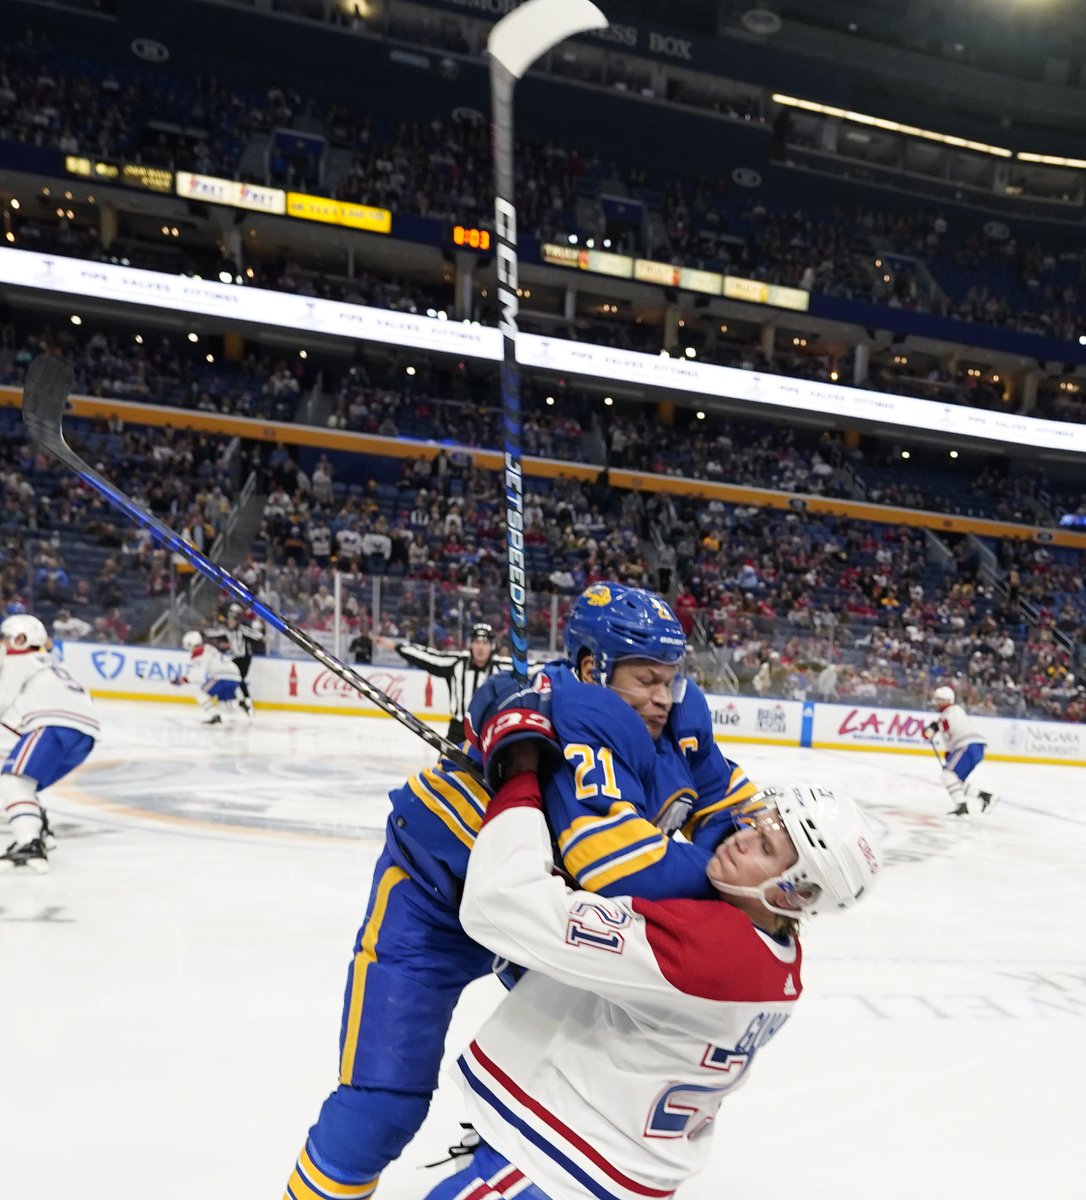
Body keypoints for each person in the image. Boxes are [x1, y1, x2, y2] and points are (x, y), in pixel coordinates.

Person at [284, 583, 763, 1200]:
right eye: (646, 679)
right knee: (381, 1106)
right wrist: (724, 873)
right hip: (433, 902)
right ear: (593, 668)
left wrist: (732, 849)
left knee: (572, 1081)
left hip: (536, 918)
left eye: (670, 679)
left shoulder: (673, 720)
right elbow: (624, 869)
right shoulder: (568, 710)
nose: (662, 698)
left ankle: (502, 1148)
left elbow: (742, 817)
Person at [423, 773, 882, 1200]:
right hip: (615, 1172)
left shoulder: (711, 947)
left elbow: (500, 900)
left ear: (798, 894)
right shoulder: (782, 964)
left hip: (558, 1169)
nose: (741, 839)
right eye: (757, 826)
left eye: (764, 847)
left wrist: (520, 776)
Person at [0, 614, 99, 873]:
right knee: (23, 784)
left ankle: (29, 842)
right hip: (84, 733)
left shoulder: (19, 660)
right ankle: (40, 832)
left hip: (52, 725)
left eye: (5, 638)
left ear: (20, 639)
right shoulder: (53, 663)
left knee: (12, 781)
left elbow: (2, 700)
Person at [382, 622, 512, 743]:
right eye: (477, 642)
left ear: (491, 646)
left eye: (485, 643)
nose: (481, 647)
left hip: (489, 731)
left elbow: (524, 670)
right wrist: (398, 647)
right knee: (446, 761)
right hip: (458, 730)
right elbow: (429, 657)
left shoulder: (502, 667)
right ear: (471, 644)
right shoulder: (456, 662)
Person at [922, 685, 999, 816]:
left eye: (939, 699)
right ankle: (985, 797)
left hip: (967, 745)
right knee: (954, 780)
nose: (937, 702)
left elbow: (946, 727)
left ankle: (962, 807)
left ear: (947, 700)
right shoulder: (951, 713)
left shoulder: (952, 711)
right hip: (973, 746)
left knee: (947, 775)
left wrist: (933, 729)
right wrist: (934, 728)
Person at [173, 630, 246, 725]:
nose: (188, 648)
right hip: (235, 676)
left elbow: (197, 676)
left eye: (188, 645)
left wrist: (182, 680)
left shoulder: (199, 652)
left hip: (221, 676)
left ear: (191, 643)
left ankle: (215, 716)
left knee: (201, 695)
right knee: (225, 706)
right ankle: (240, 703)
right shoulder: (209, 647)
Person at [220, 602, 264, 715]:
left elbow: (258, 637)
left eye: (233, 619)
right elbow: (215, 633)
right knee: (232, 678)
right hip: (236, 658)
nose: (230, 622)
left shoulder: (243, 629)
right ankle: (241, 702)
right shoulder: (227, 630)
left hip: (244, 658)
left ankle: (245, 702)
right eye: (230, 619)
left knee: (238, 678)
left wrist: (259, 631)